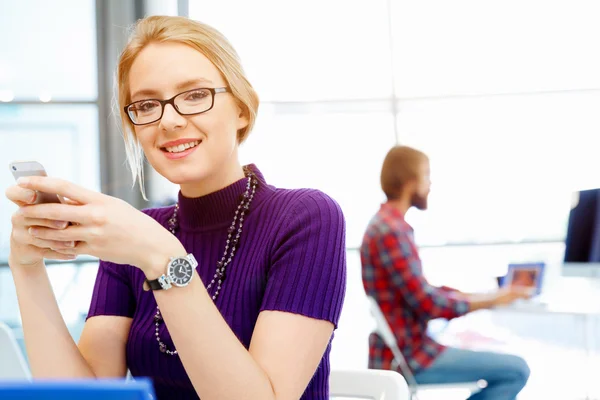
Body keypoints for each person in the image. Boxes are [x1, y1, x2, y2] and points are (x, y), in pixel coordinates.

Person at [5, 16, 346, 400]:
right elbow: (84, 396)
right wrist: (28, 267)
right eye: (147, 104)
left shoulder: (306, 217)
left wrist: (163, 258)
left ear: (243, 109)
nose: (168, 120)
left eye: (196, 95)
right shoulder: (140, 235)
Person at [361, 145, 531, 400]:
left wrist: (476, 295)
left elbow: (419, 291)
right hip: (412, 357)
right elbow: (428, 304)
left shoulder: (386, 224)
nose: (430, 183)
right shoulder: (391, 231)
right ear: (410, 181)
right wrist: (493, 299)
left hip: (406, 350)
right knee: (516, 370)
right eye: (426, 175)